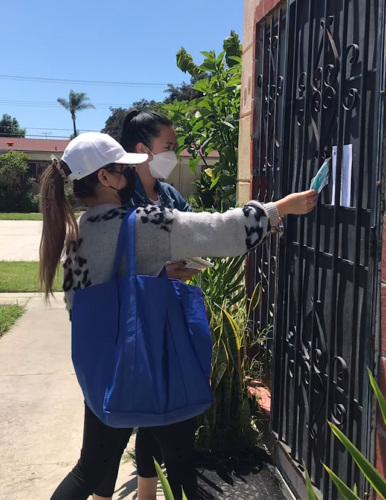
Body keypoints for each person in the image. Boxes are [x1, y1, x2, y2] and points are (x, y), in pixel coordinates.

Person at [39, 132, 317, 500]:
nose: (130, 178)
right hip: (157, 363)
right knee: (181, 464)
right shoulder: (143, 222)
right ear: (105, 178)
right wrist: (280, 208)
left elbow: (95, 299)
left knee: (88, 470)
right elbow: (218, 230)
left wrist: (155, 275)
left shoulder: (77, 230)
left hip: (105, 372)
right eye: (123, 170)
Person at [120, 108, 196, 283]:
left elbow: (195, 229)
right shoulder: (121, 198)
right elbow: (113, 262)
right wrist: (158, 272)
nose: (172, 156)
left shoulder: (170, 194)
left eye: (174, 148)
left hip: (168, 300)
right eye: (167, 147)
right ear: (142, 149)